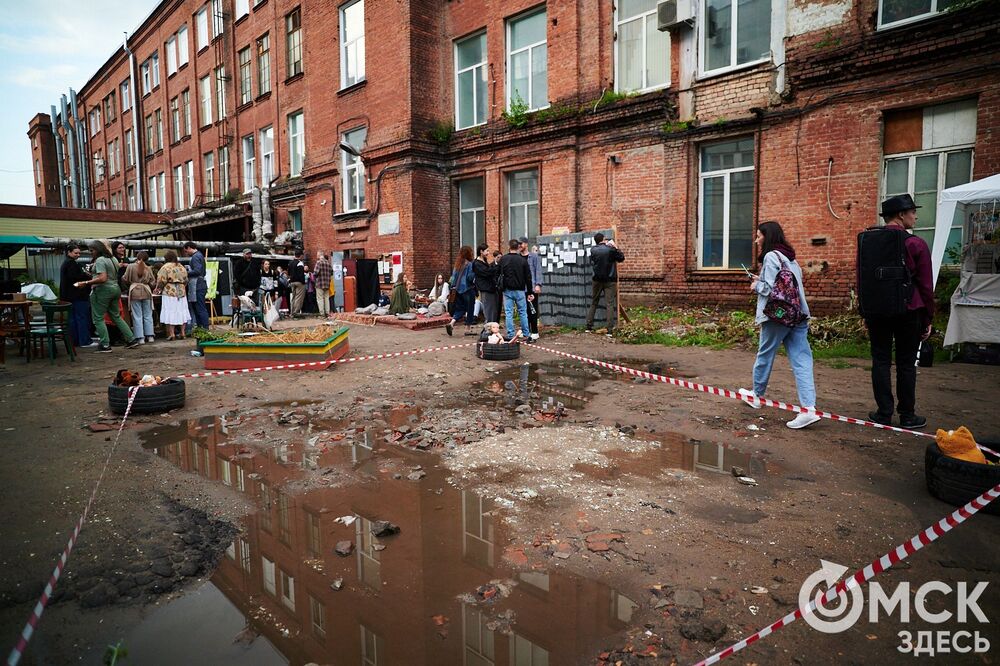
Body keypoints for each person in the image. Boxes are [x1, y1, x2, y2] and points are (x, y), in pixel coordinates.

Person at [860, 194, 934, 428]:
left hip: (877, 311)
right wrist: (928, 317)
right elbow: (925, 285)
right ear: (901, 215)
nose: (915, 215)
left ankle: (884, 413)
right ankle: (907, 415)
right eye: (912, 211)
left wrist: (865, 311)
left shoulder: (867, 240)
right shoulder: (915, 244)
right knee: (905, 362)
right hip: (908, 310)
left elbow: (862, 279)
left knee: (880, 360)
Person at [737, 221, 819, 429]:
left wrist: (756, 284)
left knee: (765, 354)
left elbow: (769, 289)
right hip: (798, 314)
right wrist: (763, 279)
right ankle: (809, 408)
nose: (756, 240)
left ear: (767, 236)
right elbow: (789, 287)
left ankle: (757, 396)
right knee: (802, 359)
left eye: (758, 236)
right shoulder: (791, 259)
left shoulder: (771, 256)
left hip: (779, 315)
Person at [73, 241, 140, 352]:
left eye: (92, 250)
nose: (91, 253)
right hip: (115, 288)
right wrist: (93, 275)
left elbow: (103, 278)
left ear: (97, 250)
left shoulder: (99, 260)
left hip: (102, 290)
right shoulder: (113, 259)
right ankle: (131, 339)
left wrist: (85, 282)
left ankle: (105, 344)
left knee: (98, 318)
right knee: (116, 316)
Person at [586, 232, 626, 335]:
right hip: (610, 280)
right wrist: (615, 247)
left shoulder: (593, 250)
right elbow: (621, 258)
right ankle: (609, 330)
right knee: (609, 304)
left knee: (594, 302)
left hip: (597, 280)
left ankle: (589, 326)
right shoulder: (611, 250)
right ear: (603, 240)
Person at [59, 244, 95, 348]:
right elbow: (76, 279)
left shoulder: (66, 263)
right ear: (69, 252)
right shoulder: (72, 264)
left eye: (79, 253)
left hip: (68, 296)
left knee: (73, 318)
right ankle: (84, 340)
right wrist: (87, 278)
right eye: (76, 253)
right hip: (77, 295)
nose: (78, 255)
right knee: (81, 318)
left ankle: (74, 341)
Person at [498, 239, 533, 341]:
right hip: (520, 290)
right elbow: (528, 277)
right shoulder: (522, 260)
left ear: (509, 246)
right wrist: (530, 292)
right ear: (518, 247)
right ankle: (526, 334)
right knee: (523, 312)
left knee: (509, 313)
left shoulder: (503, 259)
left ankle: (510, 334)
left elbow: (497, 273)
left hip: (507, 289)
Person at [122, 251, 156, 344]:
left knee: (137, 316)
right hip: (146, 291)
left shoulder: (130, 266)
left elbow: (125, 278)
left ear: (136, 257)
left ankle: (140, 338)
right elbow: (153, 282)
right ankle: (150, 336)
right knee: (148, 315)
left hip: (134, 291)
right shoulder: (148, 268)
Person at [155, 250, 191, 340]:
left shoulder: (165, 267)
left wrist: (158, 289)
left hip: (169, 291)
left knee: (170, 311)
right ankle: (183, 333)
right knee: (182, 311)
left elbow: (161, 280)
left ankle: (172, 334)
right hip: (181, 291)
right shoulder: (181, 266)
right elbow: (186, 279)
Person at [445, 245, 477, 336]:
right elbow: (470, 278)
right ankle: (468, 329)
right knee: (470, 308)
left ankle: (451, 323)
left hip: (457, 290)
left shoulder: (457, 264)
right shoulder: (470, 264)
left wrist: (452, 287)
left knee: (461, 308)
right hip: (468, 289)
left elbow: (452, 278)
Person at [182, 241, 210, 329]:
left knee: (200, 308)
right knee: (199, 308)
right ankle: (201, 328)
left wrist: (185, 272)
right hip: (201, 284)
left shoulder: (195, 257)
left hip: (198, 286)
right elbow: (202, 271)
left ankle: (204, 328)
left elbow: (197, 271)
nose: (186, 253)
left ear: (190, 248)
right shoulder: (200, 255)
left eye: (186, 251)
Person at [519, 237, 543, 340]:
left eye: (521, 244)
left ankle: (534, 331)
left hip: (531, 288)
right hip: (520, 288)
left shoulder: (533, 256)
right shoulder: (518, 257)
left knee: (532, 309)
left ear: (526, 244)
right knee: (523, 310)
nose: (519, 246)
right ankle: (526, 330)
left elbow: (538, 270)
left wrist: (538, 284)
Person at [472, 244, 500, 324]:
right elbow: (487, 273)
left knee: (493, 310)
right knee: (489, 310)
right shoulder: (477, 263)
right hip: (486, 289)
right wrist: (496, 266)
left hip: (491, 288)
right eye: (487, 251)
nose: (488, 253)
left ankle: (492, 330)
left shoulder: (484, 260)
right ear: (481, 251)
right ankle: (487, 331)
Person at [313, 252, 332, 318]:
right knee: (326, 298)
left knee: (320, 299)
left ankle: (322, 314)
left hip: (320, 283)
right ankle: (327, 312)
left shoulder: (319, 262)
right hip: (327, 283)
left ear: (319, 255)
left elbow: (315, 273)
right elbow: (331, 273)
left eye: (317, 255)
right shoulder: (328, 263)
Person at [289, 250, 307, 316]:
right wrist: (303, 282)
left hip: (292, 282)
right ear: (301, 255)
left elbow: (289, 273)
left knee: (293, 297)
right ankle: (295, 312)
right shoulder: (300, 263)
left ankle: (291, 311)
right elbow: (301, 274)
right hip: (299, 282)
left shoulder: (290, 263)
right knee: (298, 297)